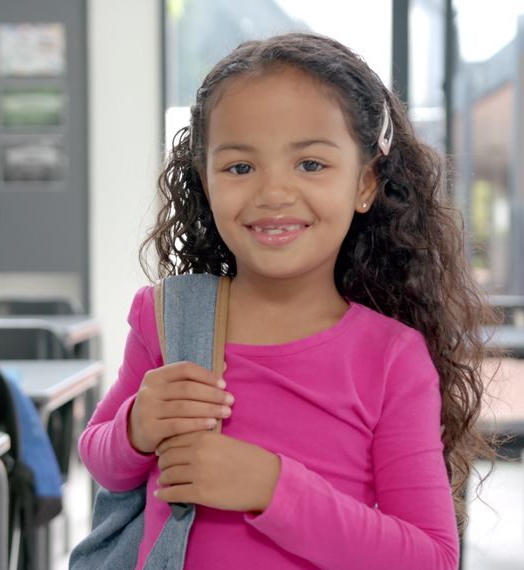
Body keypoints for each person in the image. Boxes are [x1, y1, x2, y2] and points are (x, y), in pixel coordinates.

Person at [78, 33, 494, 569]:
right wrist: (136, 427)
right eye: (240, 167)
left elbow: (430, 557)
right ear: (205, 181)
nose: (273, 193)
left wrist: (270, 487)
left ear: (365, 182)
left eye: (311, 165)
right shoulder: (169, 317)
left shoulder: (391, 356)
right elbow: (103, 461)